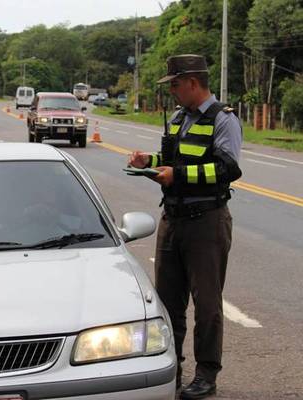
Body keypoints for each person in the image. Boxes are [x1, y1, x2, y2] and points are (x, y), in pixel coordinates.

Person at [128, 54, 243, 399]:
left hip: (206, 222)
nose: (172, 92)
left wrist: (177, 175)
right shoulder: (180, 118)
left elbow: (226, 169)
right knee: (167, 305)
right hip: (173, 219)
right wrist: (150, 162)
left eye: (175, 85)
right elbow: (175, 162)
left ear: (193, 83)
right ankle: (172, 371)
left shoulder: (223, 120)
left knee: (207, 305)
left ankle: (206, 375)